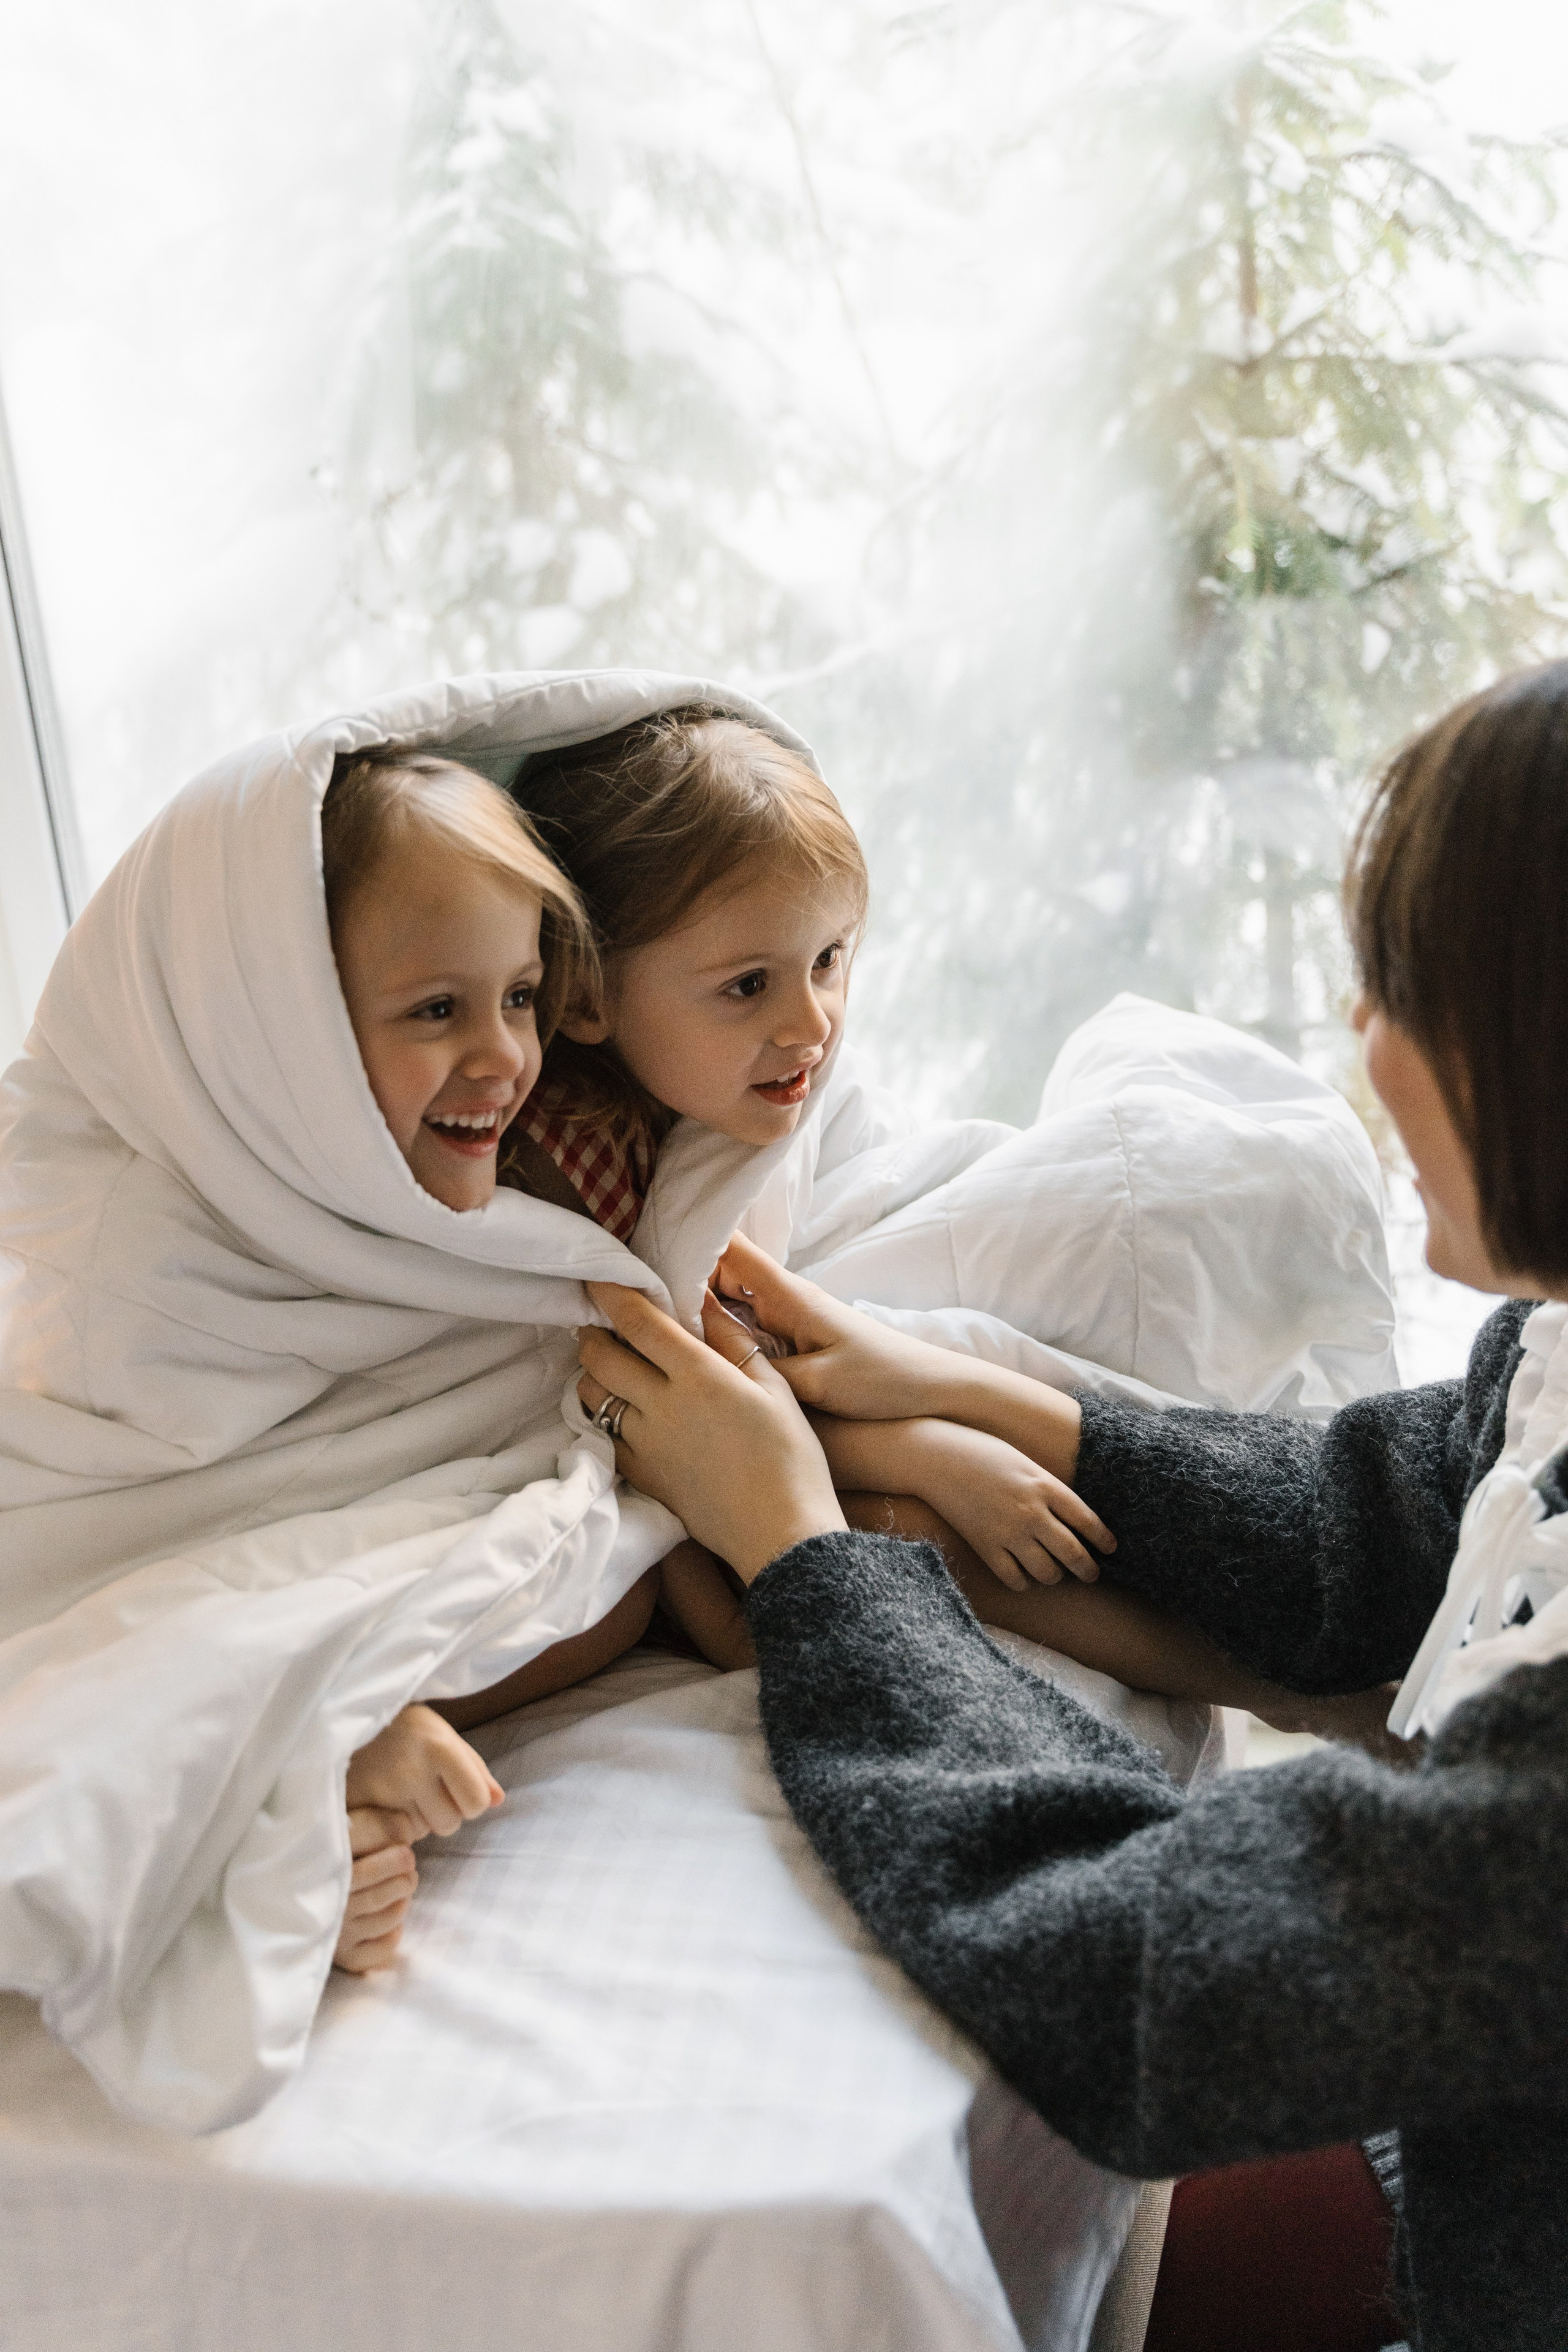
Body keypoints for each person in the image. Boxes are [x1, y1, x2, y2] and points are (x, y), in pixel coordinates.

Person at [576, 659, 1568, 2352]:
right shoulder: (1550, 1348)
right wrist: (983, 1396)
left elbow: (1140, 1979)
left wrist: (805, 1556)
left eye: (1403, 994)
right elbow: (1388, 1520)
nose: (1362, 1042)